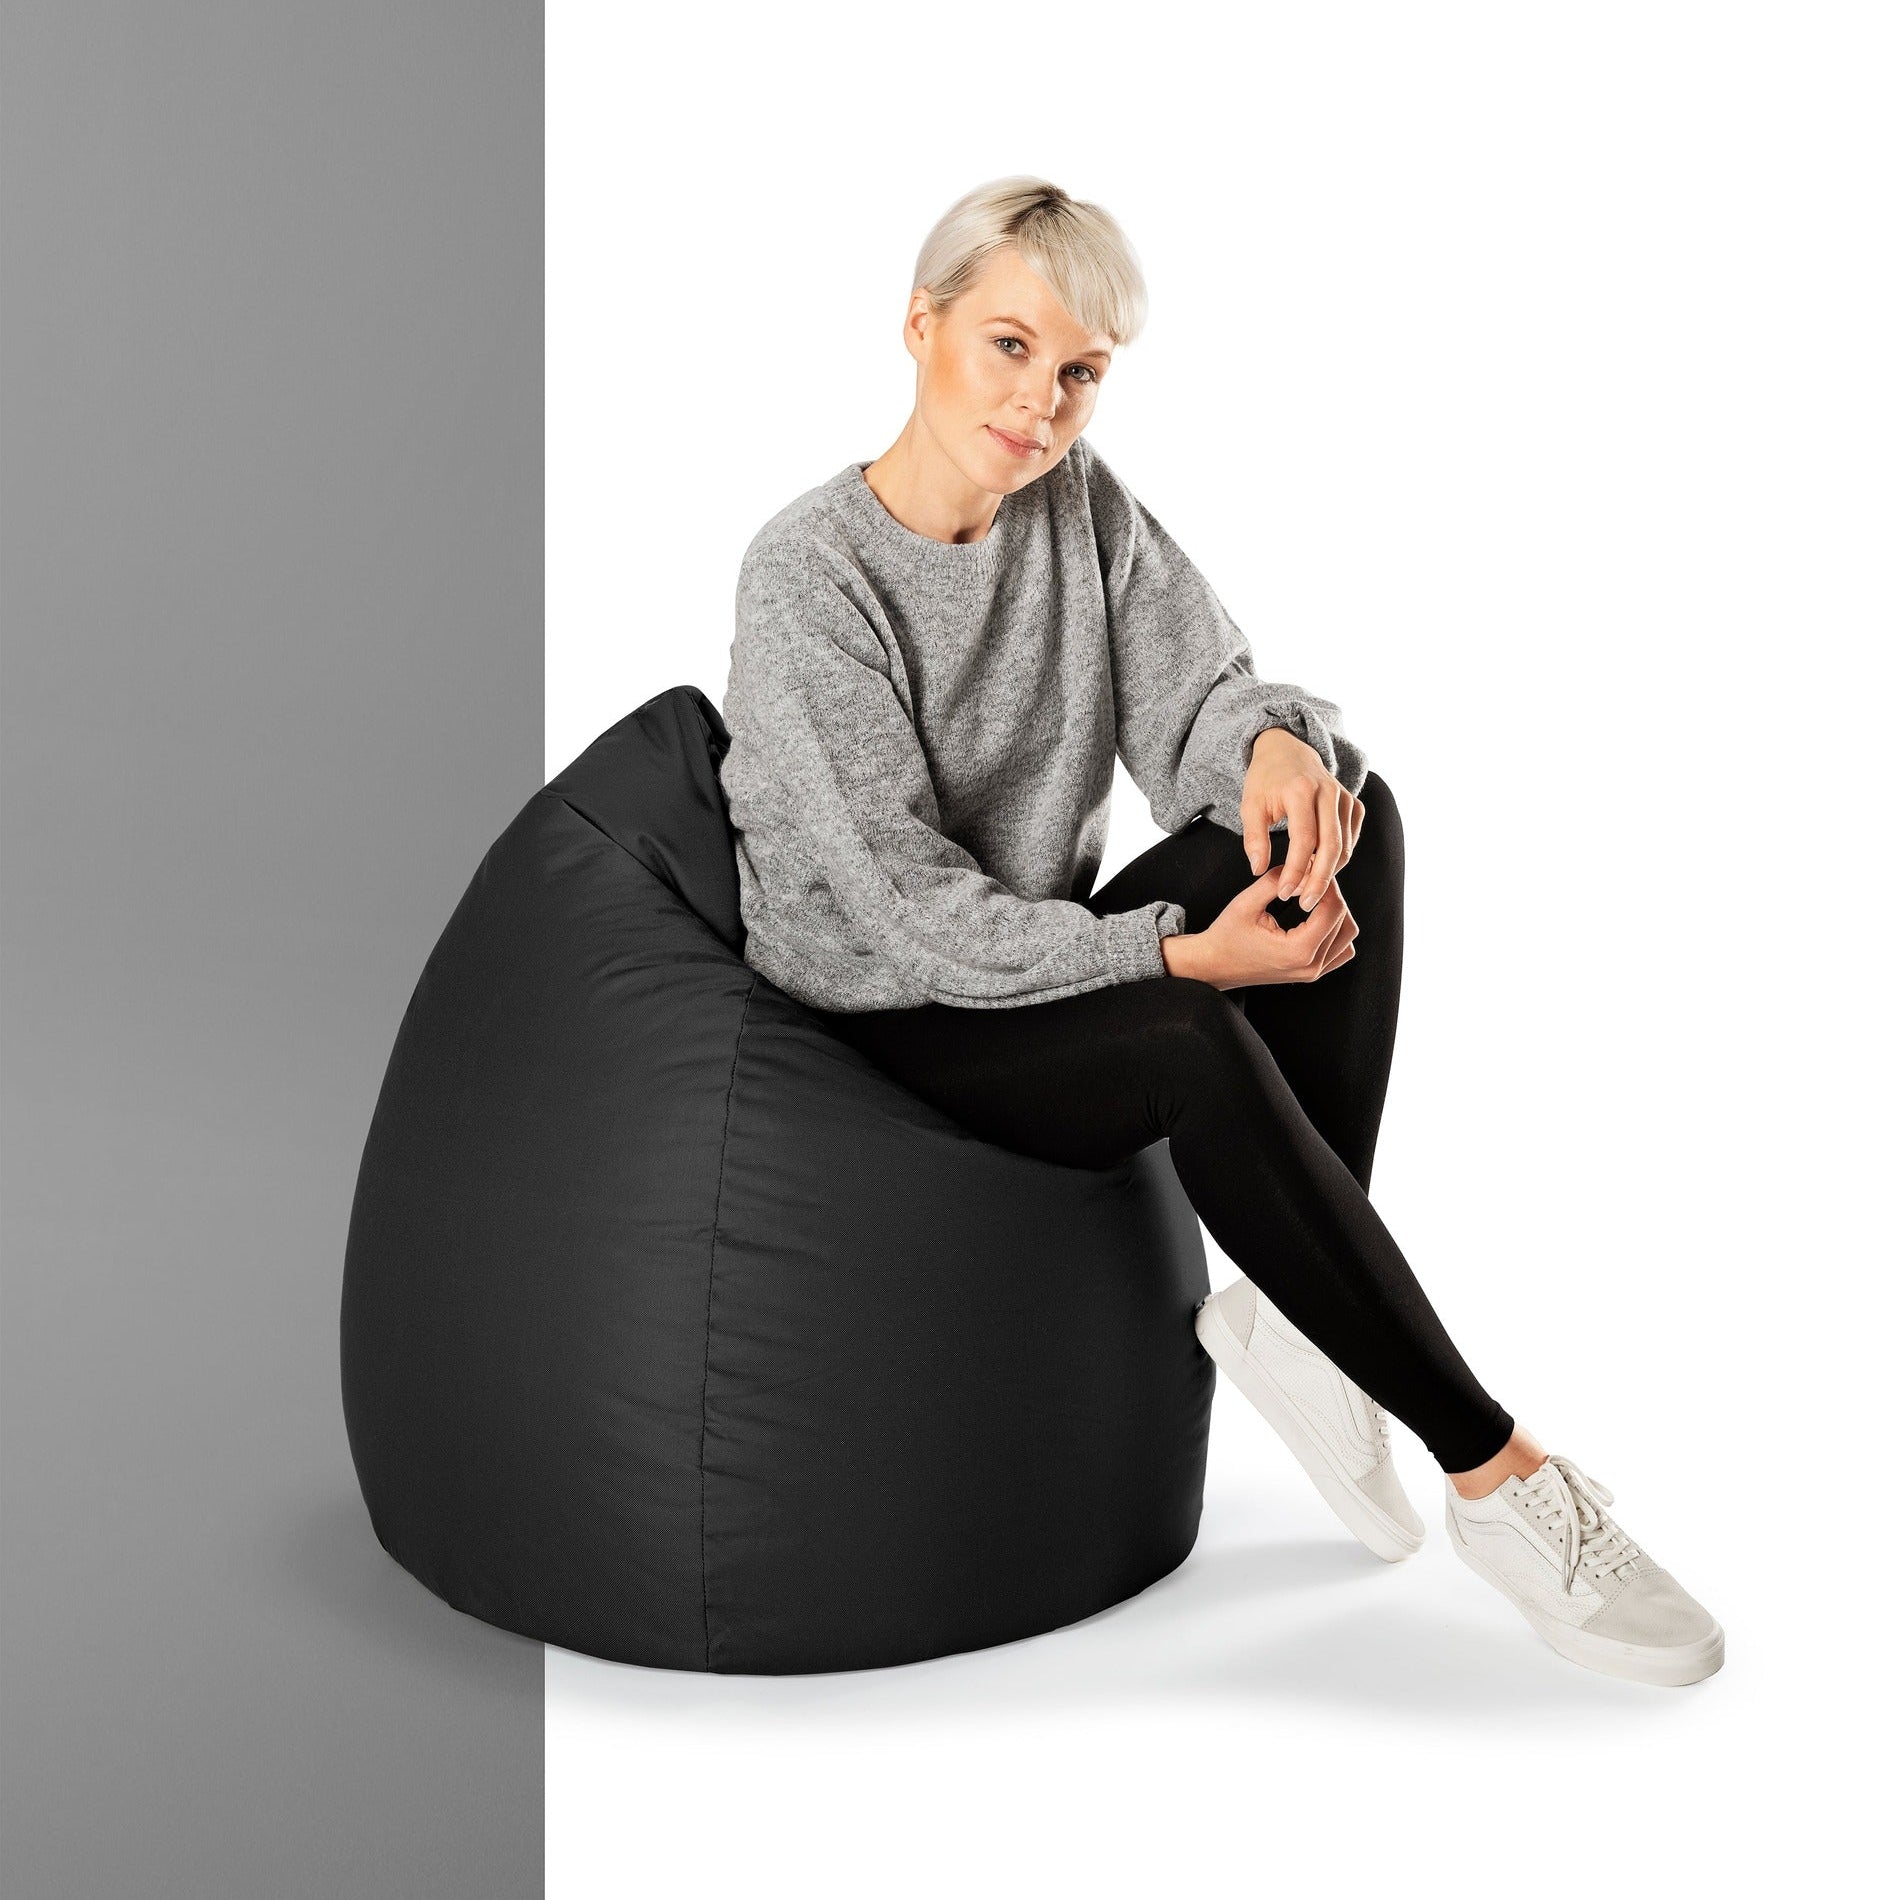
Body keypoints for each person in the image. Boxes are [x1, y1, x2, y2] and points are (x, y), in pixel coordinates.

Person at [716, 175, 1722, 1688]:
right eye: (1006, 348)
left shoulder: (1076, 501)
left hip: (1035, 965)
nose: (1039, 403)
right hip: (889, 1025)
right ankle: (1500, 1480)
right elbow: (906, 916)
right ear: (917, 329)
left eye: (1077, 372)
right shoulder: (810, 573)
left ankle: (1310, 1333)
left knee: (1344, 827)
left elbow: (1200, 690)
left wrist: (1267, 751)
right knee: (1189, 1029)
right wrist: (1178, 958)